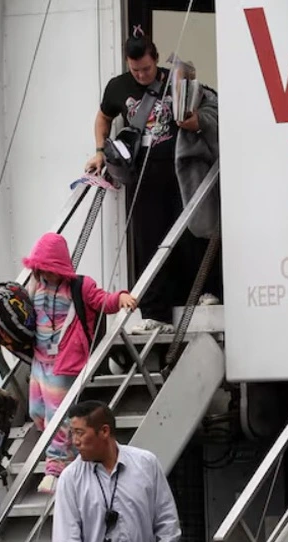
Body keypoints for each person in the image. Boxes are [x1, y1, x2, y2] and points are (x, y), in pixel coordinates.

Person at [85, 27, 217, 334]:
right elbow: (103, 117)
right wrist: (98, 151)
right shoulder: (118, 87)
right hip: (141, 171)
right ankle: (155, 310)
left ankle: (201, 292)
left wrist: (193, 121)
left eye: (146, 68)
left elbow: (205, 109)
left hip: (177, 165)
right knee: (148, 239)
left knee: (190, 231)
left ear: (155, 59)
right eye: (136, 70)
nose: (142, 75)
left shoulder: (175, 79)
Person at [23, 232, 137, 494]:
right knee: (36, 412)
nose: (46, 274)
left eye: (50, 269)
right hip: (40, 359)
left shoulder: (79, 286)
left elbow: (101, 300)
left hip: (65, 361)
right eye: (41, 268)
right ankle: (72, 452)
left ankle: (55, 468)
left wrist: (120, 298)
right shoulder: (35, 284)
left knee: (58, 415)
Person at [51, 400, 181, 542]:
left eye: (80, 433)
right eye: (72, 433)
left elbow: (165, 516)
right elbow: (66, 539)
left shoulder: (145, 464)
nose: (75, 441)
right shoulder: (71, 478)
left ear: (104, 431)